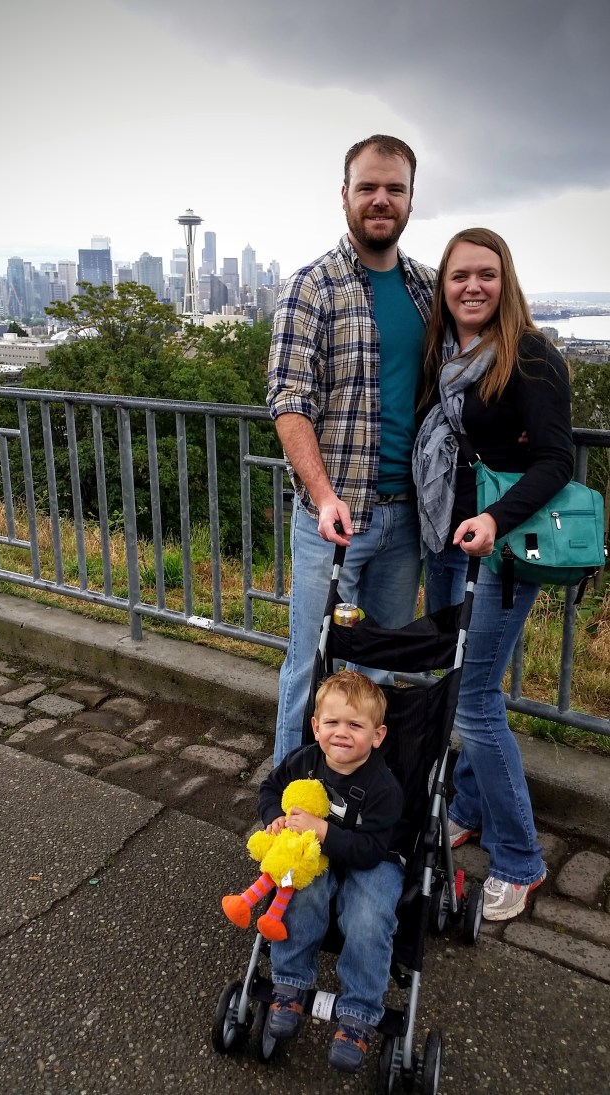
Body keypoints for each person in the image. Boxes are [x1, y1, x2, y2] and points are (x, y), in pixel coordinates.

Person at [412, 227, 574, 921]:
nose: (472, 286)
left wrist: (495, 519)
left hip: (499, 552)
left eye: (486, 274)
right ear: (443, 288)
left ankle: (519, 858)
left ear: (505, 280)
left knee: (474, 698)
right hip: (445, 541)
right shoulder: (444, 355)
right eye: (459, 276)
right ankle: (472, 808)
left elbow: (556, 460)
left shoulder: (529, 354)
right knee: (458, 685)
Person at [267, 134, 435, 764]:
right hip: (332, 519)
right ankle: (288, 798)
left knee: (378, 675)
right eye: (367, 187)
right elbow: (289, 400)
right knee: (311, 666)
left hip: (408, 517)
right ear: (344, 196)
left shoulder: (427, 289)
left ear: (412, 200)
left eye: (394, 188)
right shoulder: (311, 286)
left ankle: (362, 799)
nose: (380, 199)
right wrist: (322, 495)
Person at [258, 670, 404, 1073]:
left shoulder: (383, 787)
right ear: (316, 726)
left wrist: (323, 831)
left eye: (355, 725)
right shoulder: (304, 761)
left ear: (377, 736)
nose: (342, 733)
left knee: (369, 918)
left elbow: (371, 850)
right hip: (315, 855)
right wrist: (274, 818)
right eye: (333, 722)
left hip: (374, 858)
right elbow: (270, 789)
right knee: (297, 891)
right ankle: (290, 983)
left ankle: (359, 1013)